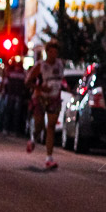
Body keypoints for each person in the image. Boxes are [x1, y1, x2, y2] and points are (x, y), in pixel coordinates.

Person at [25, 40, 65, 169]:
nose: (54, 54)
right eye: (51, 52)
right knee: (39, 125)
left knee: (51, 126)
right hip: (41, 98)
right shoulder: (40, 66)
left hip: (54, 98)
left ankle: (49, 158)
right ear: (47, 52)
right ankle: (33, 139)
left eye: (56, 52)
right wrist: (41, 88)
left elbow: (60, 79)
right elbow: (27, 81)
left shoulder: (60, 64)